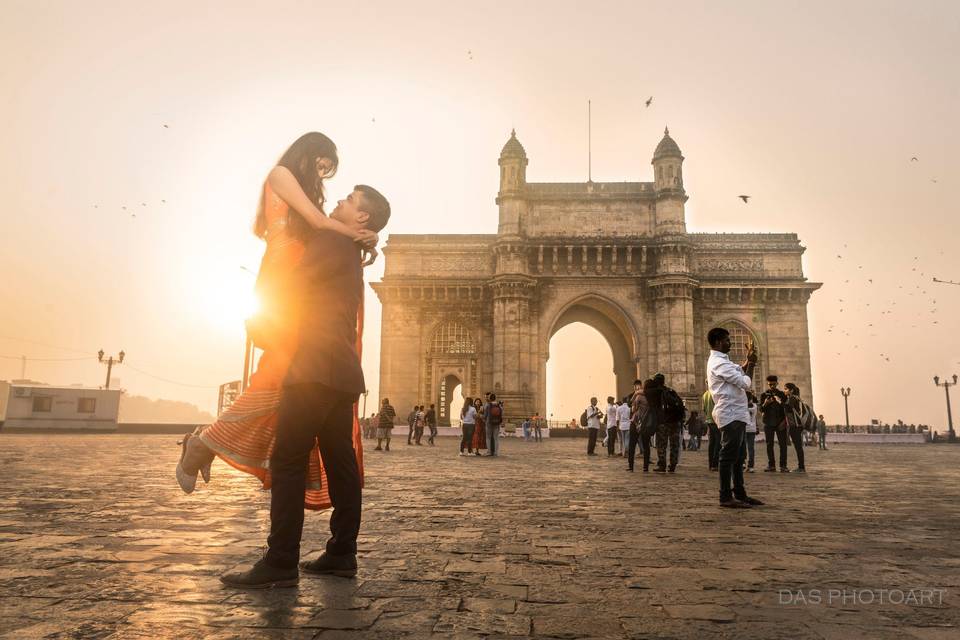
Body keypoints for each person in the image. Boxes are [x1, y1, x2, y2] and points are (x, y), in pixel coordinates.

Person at [175, 133, 377, 502]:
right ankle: (204, 443)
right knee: (277, 374)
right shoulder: (281, 174)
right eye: (321, 166)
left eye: (326, 171)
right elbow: (317, 222)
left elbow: (320, 232)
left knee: (278, 380)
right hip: (282, 280)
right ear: (309, 153)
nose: (322, 175)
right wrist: (356, 234)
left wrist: (359, 239)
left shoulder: (306, 192)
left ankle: (205, 442)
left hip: (299, 287)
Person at [220, 183, 392, 587]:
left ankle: (280, 561)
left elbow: (293, 288)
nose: (338, 201)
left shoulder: (332, 242)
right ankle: (341, 554)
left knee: (288, 459)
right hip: (343, 372)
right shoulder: (350, 249)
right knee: (341, 464)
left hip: (314, 367)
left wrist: (261, 322)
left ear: (362, 217)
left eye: (349, 200)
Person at [706, 327, 764, 509]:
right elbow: (744, 382)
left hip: (736, 413)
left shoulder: (723, 361)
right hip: (730, 413)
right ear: (717, 343)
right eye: (727, 340)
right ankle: (725, 496)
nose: (730, 343)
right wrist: (752, 365)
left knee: (739, 457)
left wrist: (748, 360)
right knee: (728, 456)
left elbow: (739, 370)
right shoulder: (718, 363)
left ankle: (740, 493)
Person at [760, 375, 790, 472]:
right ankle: (771, 465)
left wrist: (779, 401)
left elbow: (787, 408)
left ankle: (783, 465)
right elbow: (761, 409)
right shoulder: (764, 395)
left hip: (780, 422)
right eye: (770, 384)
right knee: (769, 444)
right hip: (768, 422)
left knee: (783, 445)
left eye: (773, 384)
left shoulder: (782, 394)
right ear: (767, 384)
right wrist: (765, 403)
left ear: (777, 383)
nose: (772, 386)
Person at [627, 379, 652, 472]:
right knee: (646, 445)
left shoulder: (638, 396)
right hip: (646, 423)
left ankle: (631, 466)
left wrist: (636, 394)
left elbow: (633, 409)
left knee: (632, 445)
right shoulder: (652, 397)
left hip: (636, 421)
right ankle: (645, 467)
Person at [783, 383, 806, 473]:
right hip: (798, 426)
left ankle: (801, 467)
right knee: (798, 446)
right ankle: (801, 466)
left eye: (786, 389)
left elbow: (788, 408)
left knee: (798, 447)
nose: (784, 391)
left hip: (795, 426)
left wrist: (780, 401)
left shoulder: (792, 398)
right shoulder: (797, 398)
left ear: (791, 390)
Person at [702, 386, 720, 471]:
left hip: (708, 420)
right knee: (718, 443)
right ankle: (715, 464)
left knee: (711, 443)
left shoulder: (705, 394)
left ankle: (710, 464)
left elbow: (704, 409)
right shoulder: (715, 393)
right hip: (716, 421)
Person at [744, 392, 758, 472]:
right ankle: (751, 466)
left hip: (744, 429)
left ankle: (743, 463)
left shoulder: (743, 407)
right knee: (751, 448)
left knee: (743, 447)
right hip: (752, 429)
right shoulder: (755, 406)